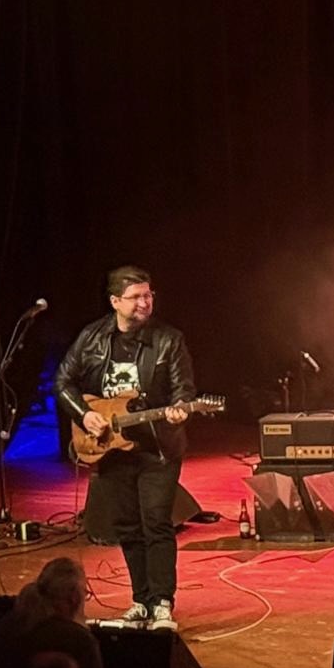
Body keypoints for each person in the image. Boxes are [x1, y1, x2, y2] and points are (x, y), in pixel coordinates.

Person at [55, 265, 195, 629]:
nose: (145, 303)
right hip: (111, 447)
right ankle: (141, 600)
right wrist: (85, 415)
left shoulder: (169, 340)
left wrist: (180, 409)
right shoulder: (92, 337)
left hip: (157, 448)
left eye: (148, 295)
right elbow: (63, 382)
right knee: (128, 527)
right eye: (136, 297)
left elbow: (183, 389)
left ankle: (162, 602)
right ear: (115, 301)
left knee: (156, 523)